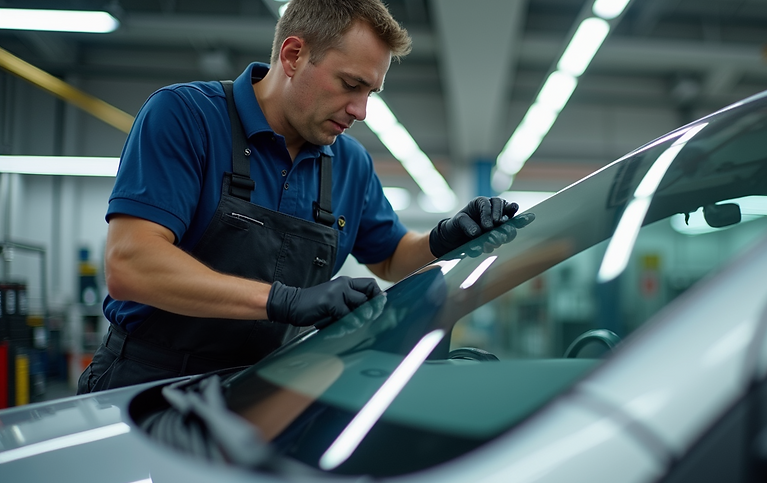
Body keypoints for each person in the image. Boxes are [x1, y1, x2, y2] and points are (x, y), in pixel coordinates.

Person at [76, 0, 517, 394]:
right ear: (293, 56)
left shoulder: (349, 163)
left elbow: (390, 257)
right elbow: (131, 264)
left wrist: (443, 239)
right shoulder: (186, 117)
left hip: (262, 386)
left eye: (370, 92)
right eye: (350, 84)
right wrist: (284, 300)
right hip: (146, 383)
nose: (360, 110)